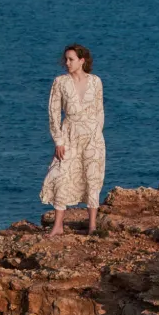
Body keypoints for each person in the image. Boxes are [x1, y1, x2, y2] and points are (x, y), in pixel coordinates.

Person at [40, 44, 105, 236]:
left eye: (71, 59)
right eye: (66, 59)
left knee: (92, 178)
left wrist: (96, 134)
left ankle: (92, 226)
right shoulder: (60, 82)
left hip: (93, 137)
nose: (67, 63)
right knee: (61, 175)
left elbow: (99, 110)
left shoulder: (95, 81)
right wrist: (58, 141)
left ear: (82, 61)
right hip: (69, 134)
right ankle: (58, 226)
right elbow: (53, 113)